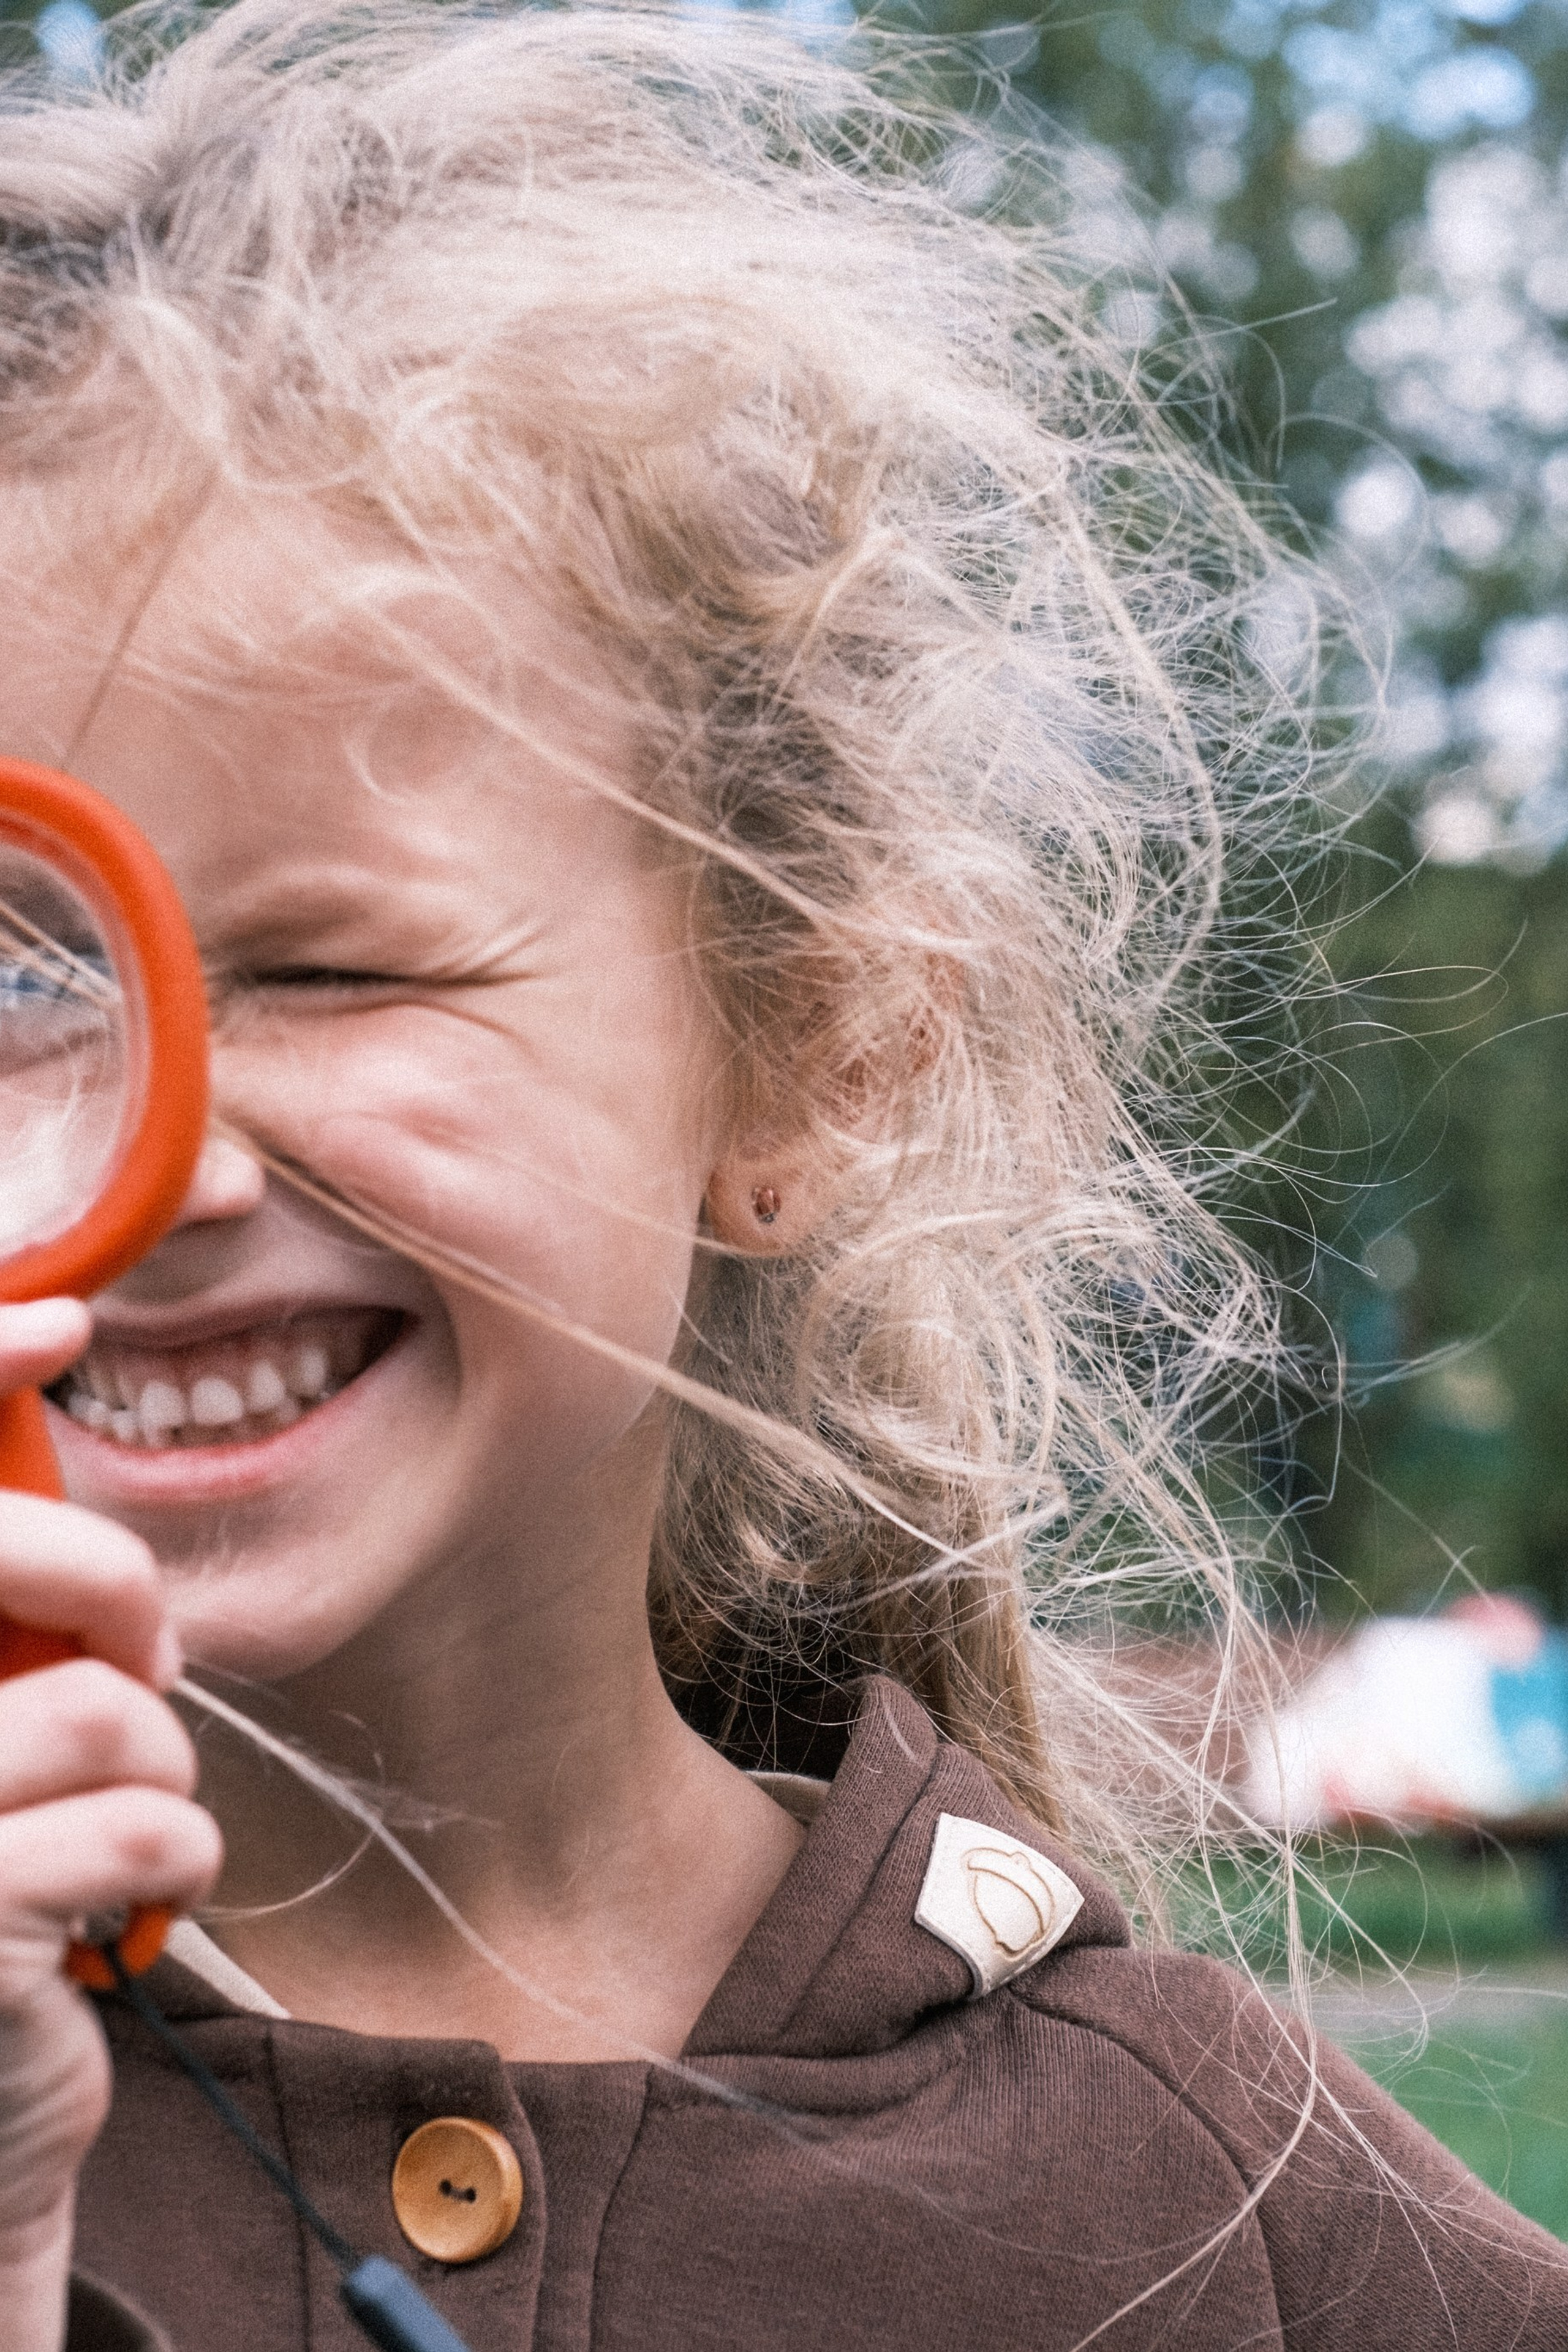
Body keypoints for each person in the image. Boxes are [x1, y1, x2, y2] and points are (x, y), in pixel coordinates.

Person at [0, 4, 1562, 2346]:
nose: (165, 1155)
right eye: (16, 982)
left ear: (814, 1058)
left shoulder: (1242, 2229)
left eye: (335, 971)